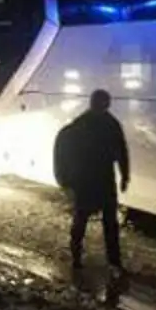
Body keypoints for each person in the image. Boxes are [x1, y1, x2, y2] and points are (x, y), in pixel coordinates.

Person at [53, 89, 130, 272]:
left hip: (87, 180)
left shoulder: (80, 124)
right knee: (107, 223)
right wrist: (124, 175)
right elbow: (121, 151)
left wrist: (66, 181)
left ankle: (77, 256)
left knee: (82, 219)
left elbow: (65, 153)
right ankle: (112, 261)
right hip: (101, 179)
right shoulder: (111, 124)